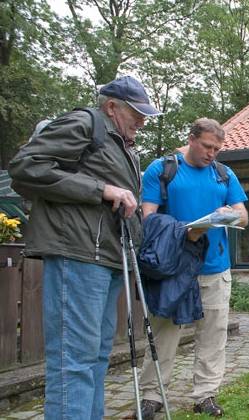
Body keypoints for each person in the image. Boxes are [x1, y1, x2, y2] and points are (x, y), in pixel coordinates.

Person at [8, 75, 161, 419]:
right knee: (73, 360)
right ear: (111, 107)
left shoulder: (120, 143)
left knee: (95, 356)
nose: (142, 122)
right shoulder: (84, 123)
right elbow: (25, 167)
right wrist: (103, 190)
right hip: (76, 255)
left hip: (106, 258)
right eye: (136, 114)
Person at [135, 118, 248, 419]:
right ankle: (152, 395)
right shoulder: (162, 169)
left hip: (214, 266)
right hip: (173, 266)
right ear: (191, 139)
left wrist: (229, 214)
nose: (212, 153)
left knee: (213, 334)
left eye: (217, 149)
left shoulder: (224, 174)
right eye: (208, 146)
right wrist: (186, 230)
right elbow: (148, 219)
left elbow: (244, 216)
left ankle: (206, 395)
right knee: (163, 334)